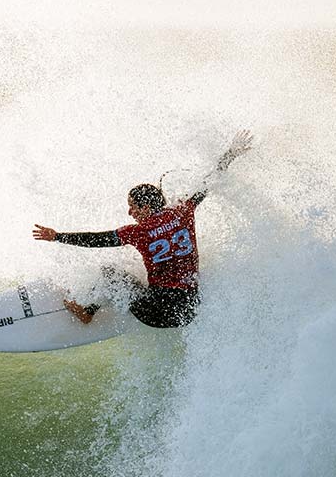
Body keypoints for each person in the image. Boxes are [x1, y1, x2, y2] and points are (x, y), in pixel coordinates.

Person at [31, 130, 253, 328]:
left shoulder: (138, 232)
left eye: (132, 207)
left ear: (145, 207)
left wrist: (57, 236)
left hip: (157, 314)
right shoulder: (184, 211)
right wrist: (231, 153)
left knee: (111, 273)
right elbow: (208, 181)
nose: (130, 213)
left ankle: (87, 312)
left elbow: (97, 240)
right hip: (189, 310)